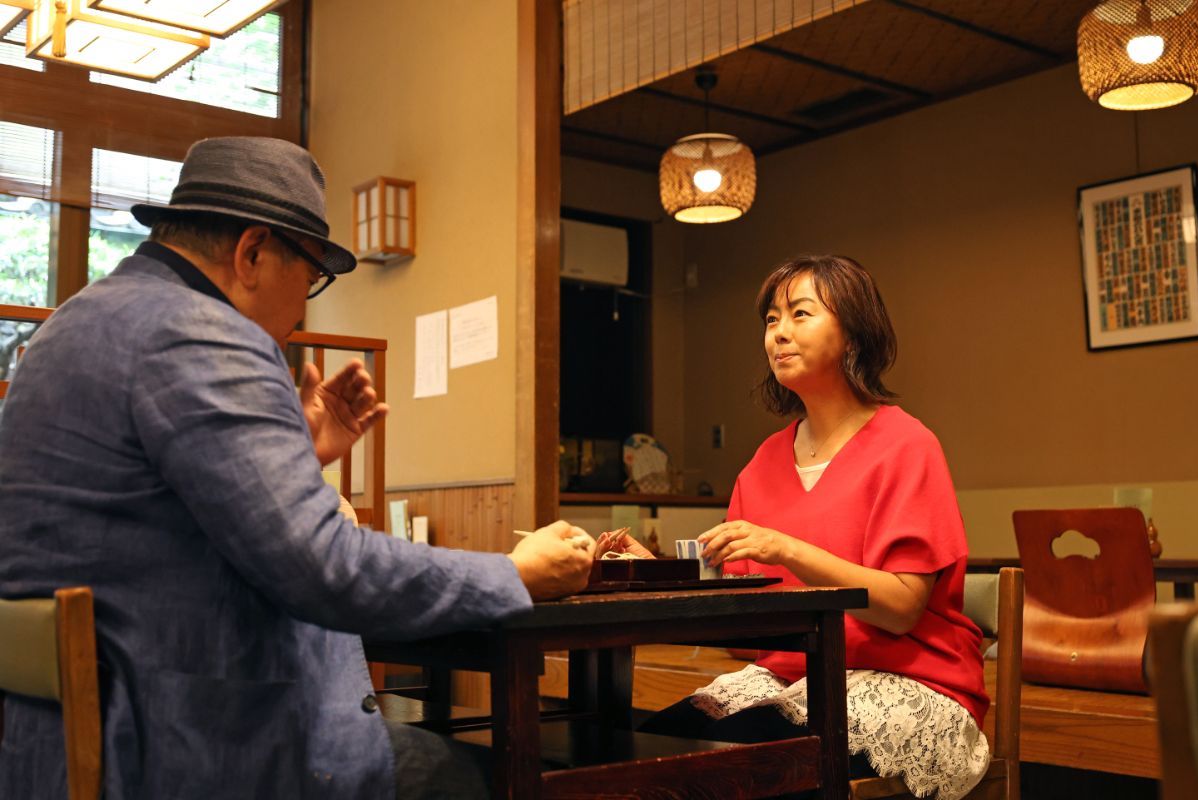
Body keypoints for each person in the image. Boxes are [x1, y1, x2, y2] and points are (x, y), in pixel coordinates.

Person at [0, 136, 595, 800]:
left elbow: (145, 519)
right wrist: (513, 574)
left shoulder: (67, 327)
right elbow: (322, 566)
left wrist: (294, 461)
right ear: (252, 252)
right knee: (519, 780)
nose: (304, 306)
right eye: (311, 275)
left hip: (55, 749)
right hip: (181, 749)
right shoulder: (203, 332)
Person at [640, 255, 990, 800]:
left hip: (910, 681)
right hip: (789, 677)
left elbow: (900, 610)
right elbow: (740, 624)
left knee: (739, 765)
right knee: (652, 745)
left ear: (853, 335)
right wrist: (657, 573)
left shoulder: (907, 446)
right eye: (771, 319)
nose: (779, 333)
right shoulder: (763, 463)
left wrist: (786, 549)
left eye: (800, 314)